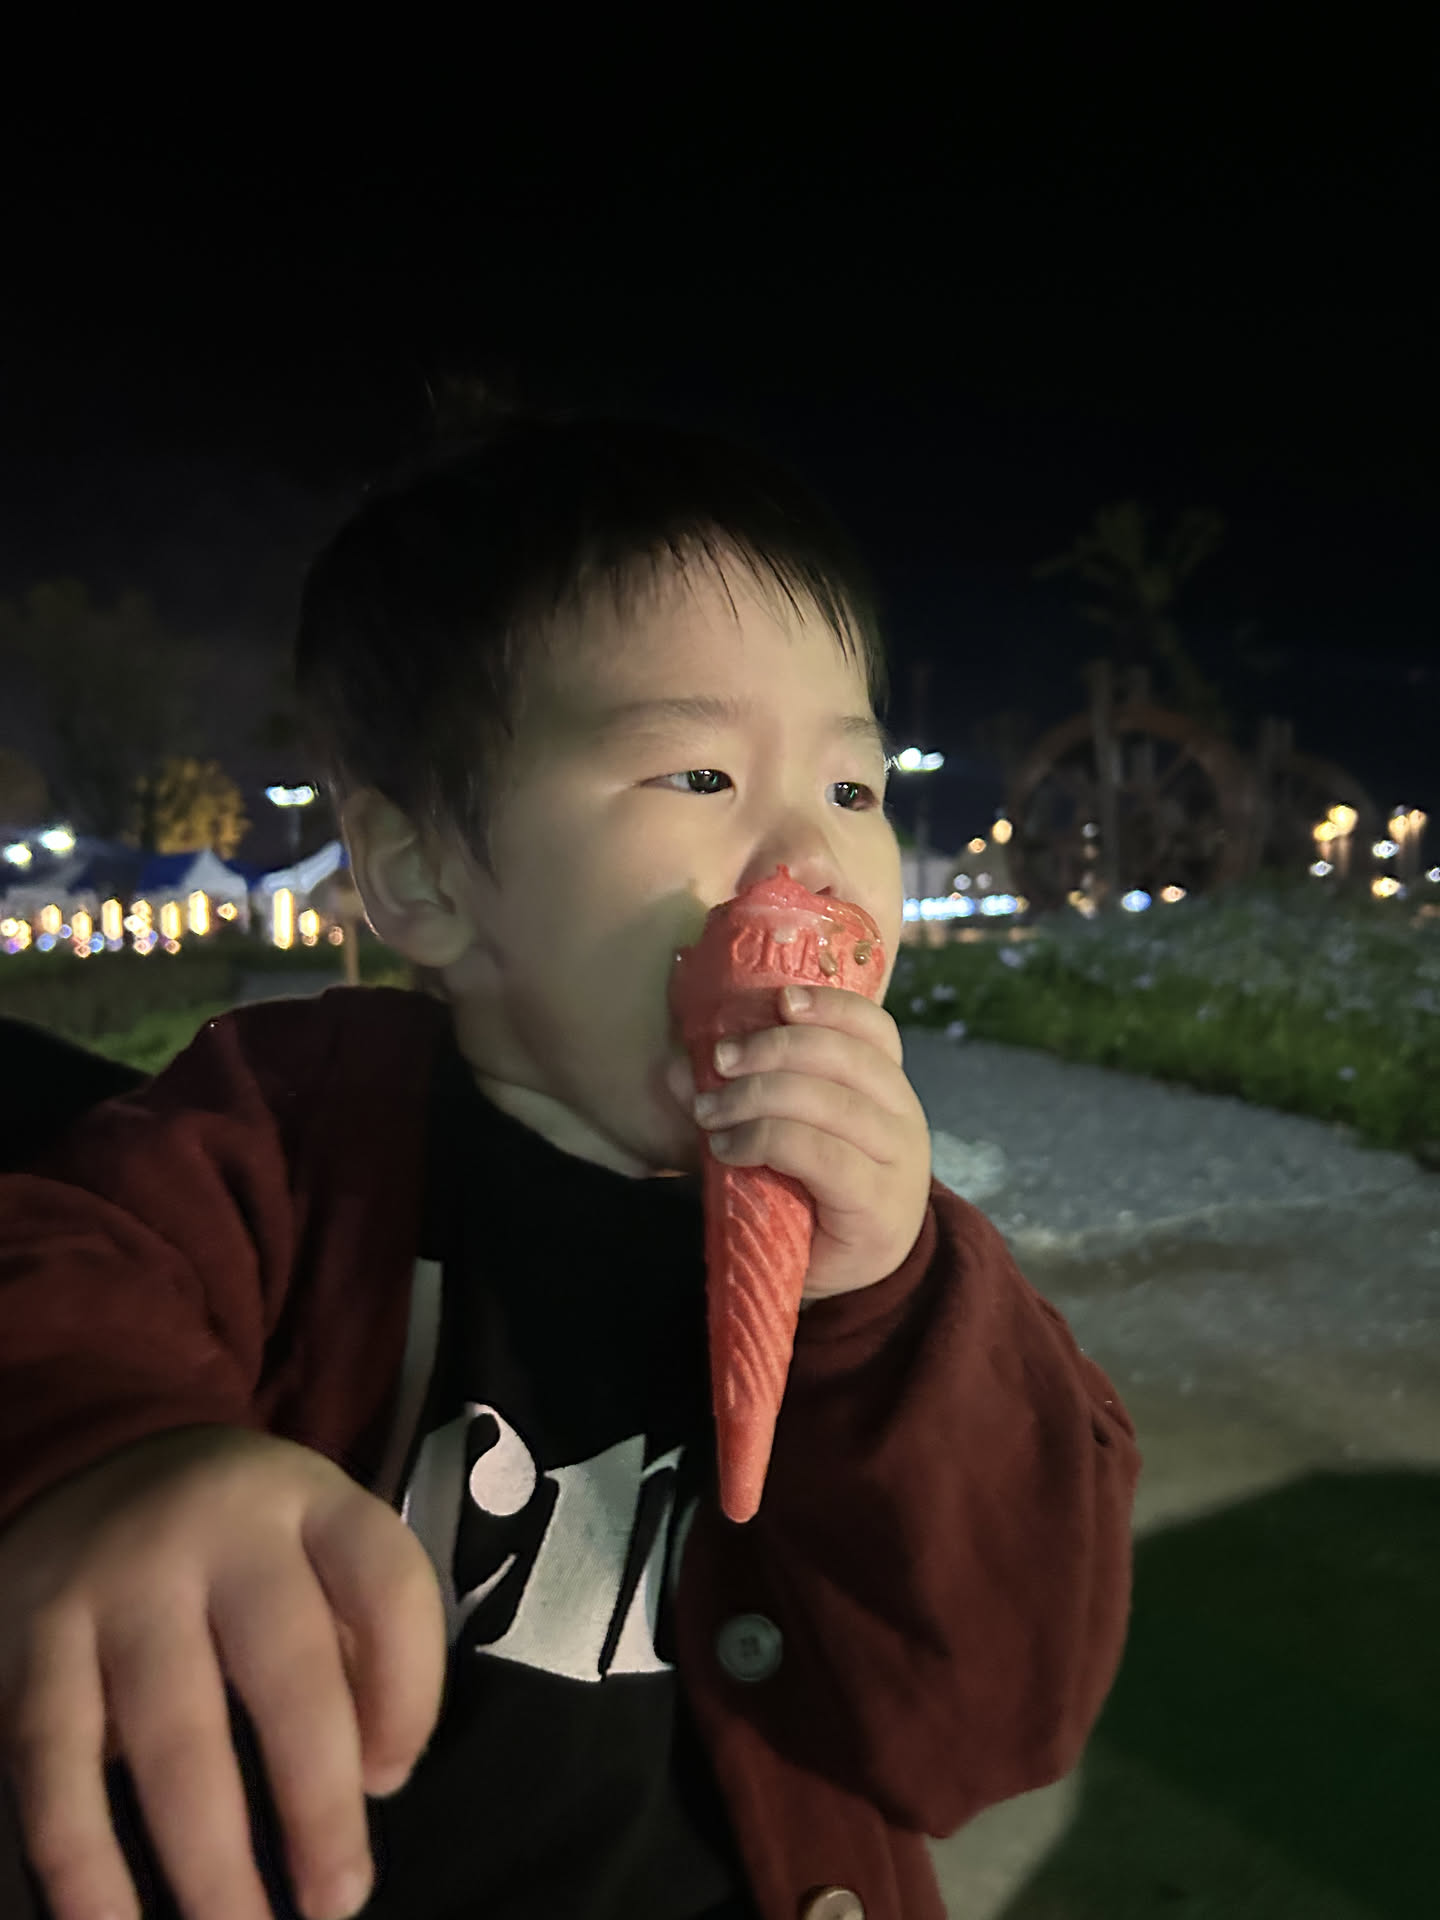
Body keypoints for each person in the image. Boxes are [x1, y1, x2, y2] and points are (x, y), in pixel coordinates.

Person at [0, 408, 1143, 1920]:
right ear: (424, 874)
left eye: (854, 789)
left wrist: (889, 1304)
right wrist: (115, 1456)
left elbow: (996, 1728)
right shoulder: (288, 1135)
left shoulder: (903, 1283)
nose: (810, 862)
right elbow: (61, 1258)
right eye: (700, 776)